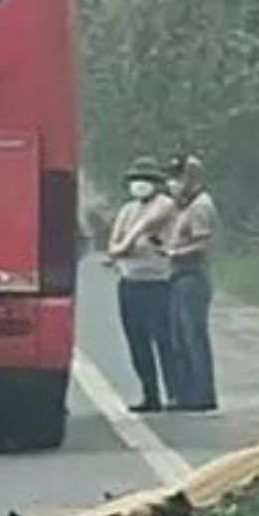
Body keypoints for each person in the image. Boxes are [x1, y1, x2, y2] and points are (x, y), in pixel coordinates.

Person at [106, 155, 178, 412]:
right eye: (137, 179)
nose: (140, 184)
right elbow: (113, 246)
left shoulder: (165, 204)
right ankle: (150, 394)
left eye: (146, 179)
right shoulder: (127, 209)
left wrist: (126, 245)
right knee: (137, 341)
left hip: (158, 282)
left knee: (165, 340)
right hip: (130, 281)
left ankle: (174, 393)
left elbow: (141, 230)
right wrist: (124, 248)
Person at [166, 155, 219, 412]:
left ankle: (202, 395)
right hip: (178, 276)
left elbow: (203, 242)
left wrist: (176, 253)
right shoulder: (183, 206)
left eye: (179, 177)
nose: (174, 183)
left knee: (193, 337)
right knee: (179, 338)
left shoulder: (200, 206)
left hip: (192, 276)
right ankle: (185, 395)